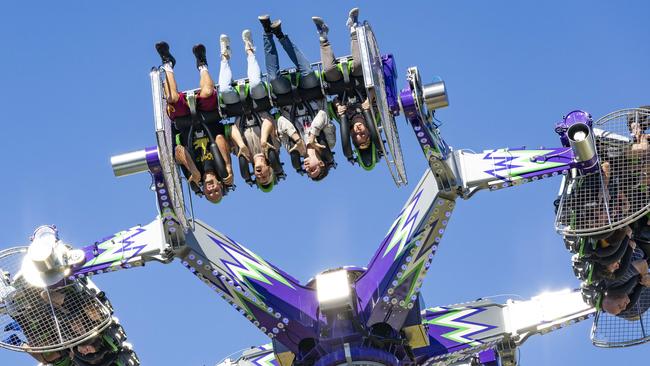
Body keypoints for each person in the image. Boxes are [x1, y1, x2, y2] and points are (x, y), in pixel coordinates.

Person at [258, 15, 336, 181]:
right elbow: (323, 115)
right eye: (313, 170)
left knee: (273, 78)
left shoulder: (292, 149)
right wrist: (312, 137)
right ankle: (280, 35)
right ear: (321, 164)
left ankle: (267, 33)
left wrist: (296, 138)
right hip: (311, 96)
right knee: (307, 71)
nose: (308, 168)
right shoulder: (329, 143)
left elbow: (280, 122)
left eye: (308, 172)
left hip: (287, 101)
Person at [155, 41, 233, 203]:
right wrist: (227, 165)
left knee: (172, 98)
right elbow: (219, 139)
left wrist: (193, 170)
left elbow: (179, 150)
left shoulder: (193, 176)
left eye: (209, 193)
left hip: (185, 122)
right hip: (208, 117)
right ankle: (202, 64)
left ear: (203, 190)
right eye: (216, 191)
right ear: (220, 185)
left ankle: (168, 63)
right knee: (207, 93)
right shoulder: (223, 171)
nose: (211, 190)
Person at [312, 8, 377, 170]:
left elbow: (331, 104)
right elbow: (379, 92)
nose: (358, 131)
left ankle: (323, 35)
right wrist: (369, 100)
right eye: (363, 134)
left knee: (328, 72)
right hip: (359, 80)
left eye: (356, 136)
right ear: (369, 132)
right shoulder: (375, 117)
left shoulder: (344, 122)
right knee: (359, 65)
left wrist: (337, 107)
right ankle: (353, 28)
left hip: (339, 85)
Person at [219, 31, 281, 191]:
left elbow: (232, 128)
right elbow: (270, 121)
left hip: (239, 110)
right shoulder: (274, 147)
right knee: (254, 84)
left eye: (259, 178)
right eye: (265, 176)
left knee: (225, 91)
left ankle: (225, 55)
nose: (260, 175)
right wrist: (264, 140)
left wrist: (241, 145)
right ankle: (250, 50)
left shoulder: (242, 156)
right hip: (259, 104)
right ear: (270, 170)